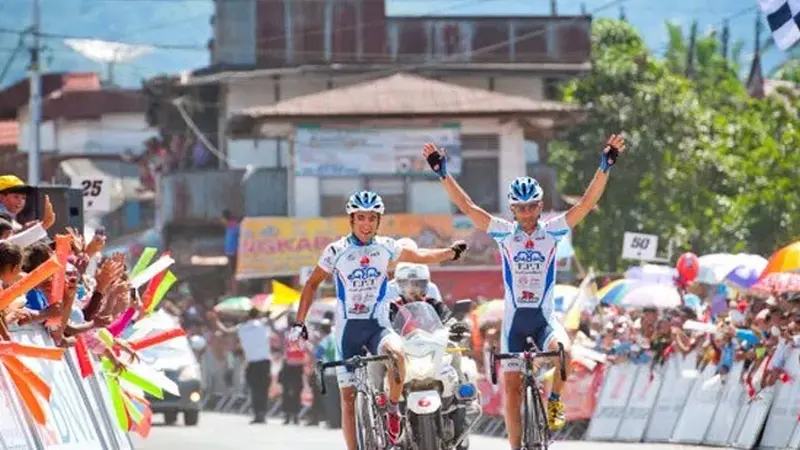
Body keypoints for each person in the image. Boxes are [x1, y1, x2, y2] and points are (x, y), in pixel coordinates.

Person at [422, 134, 625, 447]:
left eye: (532, 207)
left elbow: (586, 203)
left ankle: (555, 399)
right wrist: (442, 173)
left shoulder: (554, 230)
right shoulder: (503, 233)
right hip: (515, 324)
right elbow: (468, 205)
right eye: (521, 208)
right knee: (513, 389)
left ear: (540, 206)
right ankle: (516, 447)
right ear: (512, 209)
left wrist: (605, 165)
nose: (527, 214)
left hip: (544, 319)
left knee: (564, 352)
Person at [291, 190, 468, 449]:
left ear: (378, 221)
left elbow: (418, 255)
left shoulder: (386, 247)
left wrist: (449, 253)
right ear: (351, 220)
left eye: (372, 218)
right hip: (348, 331)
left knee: (397, 355)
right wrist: (299, 323)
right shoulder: (336, 251)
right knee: (349, 400)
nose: (366, 224)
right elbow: (311, 285)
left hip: (378, 327)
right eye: (361, 217)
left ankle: (393, 411)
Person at [212, 308, 277, 424]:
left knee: (254, 389)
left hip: (252, 363)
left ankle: (257, 414)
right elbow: (275, 323)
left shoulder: (242, 327)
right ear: (258, 315)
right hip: (264, 362)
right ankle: (262, 414)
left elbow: (226, 331)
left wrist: (215, 320)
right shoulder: (263, 324)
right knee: (263, 389)